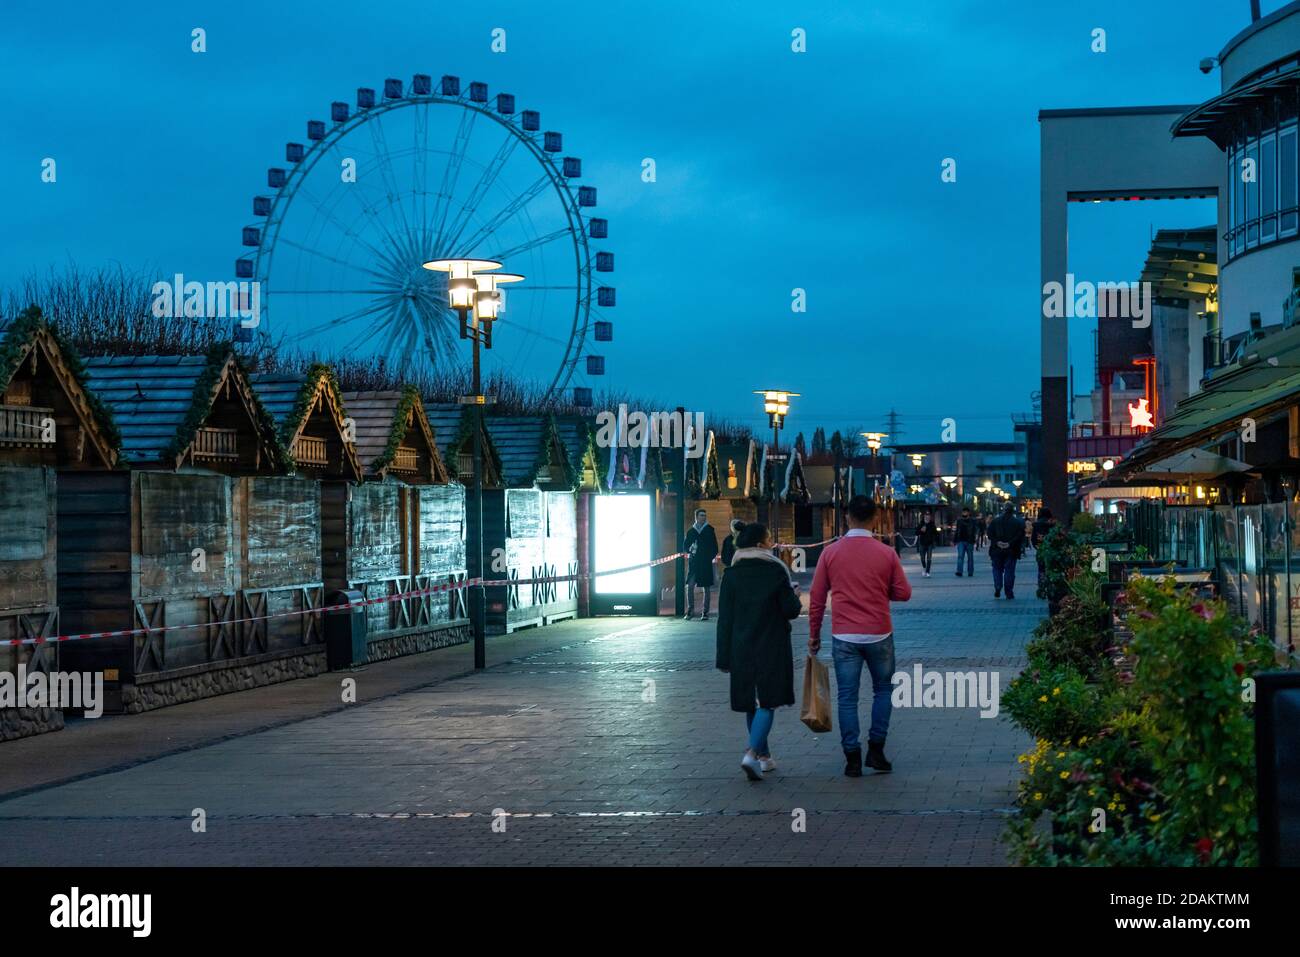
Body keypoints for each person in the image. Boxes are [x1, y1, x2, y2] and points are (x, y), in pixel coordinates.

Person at [808, 495, 912, 777]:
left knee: (847, 698)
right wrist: (881, 590)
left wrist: (814, 635)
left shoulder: (830, 553)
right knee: (883, 691)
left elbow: (817, 599)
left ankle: (852, 757)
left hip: (844, 636)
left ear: (847, 518)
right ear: (875, 518)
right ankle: (876, 750)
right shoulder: (886, 553)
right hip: (879, 633)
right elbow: (904, 593)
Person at [715, 523, 802, 780]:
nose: (771, 543)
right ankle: (752, 753)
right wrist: (794, 595)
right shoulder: (776, 571)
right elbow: (790, 610)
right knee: (768, 700)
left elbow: (725, 620)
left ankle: (764, 757)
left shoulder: (731, 575)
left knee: (751, 702)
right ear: (762, 544)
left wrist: (723, 656)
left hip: (741, 646)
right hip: (771, 645)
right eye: (769, 539)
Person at [683, 508, 719, 620]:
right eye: (701, 515)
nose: (703, 517)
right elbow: (685, 546)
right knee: (690, 586)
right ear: (696, 517)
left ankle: (705, 612)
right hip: (694, 564)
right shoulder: (691, 532)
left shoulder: (709, 530)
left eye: (704, 515)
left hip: (705, 563)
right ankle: (690, 611)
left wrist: (708, 557)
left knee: (706, 588)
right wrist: (690, 550)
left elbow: (715, 547)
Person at [987, 501, 1026, 600]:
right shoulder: (1017, 522)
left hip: (996, 550)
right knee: (1009, 571)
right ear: (1012, 510)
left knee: (997, 569)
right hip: (1011, 550)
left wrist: (997, 542)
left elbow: (990, 534)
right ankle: (1009, 592)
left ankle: (998, 586)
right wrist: (1010, 543)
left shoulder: (996, 521)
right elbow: (1020, 536)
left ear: (1004, 509)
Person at [1032, 507, 1057, 584]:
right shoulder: (1052, 524)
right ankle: (1051, 583)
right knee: (1051, 568)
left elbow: (1033, 539)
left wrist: (1037, 547)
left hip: (1040, 549)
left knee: (1041, 568)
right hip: (1051, 549)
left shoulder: (1036, 524)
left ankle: (1042, 584)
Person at [954, 506, 977, 577]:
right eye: (963, 512)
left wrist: (974, 539)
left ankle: (970, 572)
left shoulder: (972, 521)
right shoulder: (959, 521)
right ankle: (959, 571)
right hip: (961, 541)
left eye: (966, 512)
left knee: (970, 557)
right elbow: (957, 530)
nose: (964, 513)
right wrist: (955, 540)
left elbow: (975, 530)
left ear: (968, 513)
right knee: (960, 556)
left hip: (969, 541)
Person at [915, 510, 938, 578]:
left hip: (929, 544)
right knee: (922, 558)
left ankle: (928, 572)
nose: (927, 517)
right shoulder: (921, 524)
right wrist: (921, 530)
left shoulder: (932, 524)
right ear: (924, 516)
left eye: (928, 516)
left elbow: (936, 533)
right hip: (922, 543)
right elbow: (916, 533)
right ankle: (924, 567)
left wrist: (934, 537)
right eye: (926, 516)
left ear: (930, 517)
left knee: (929, 558)